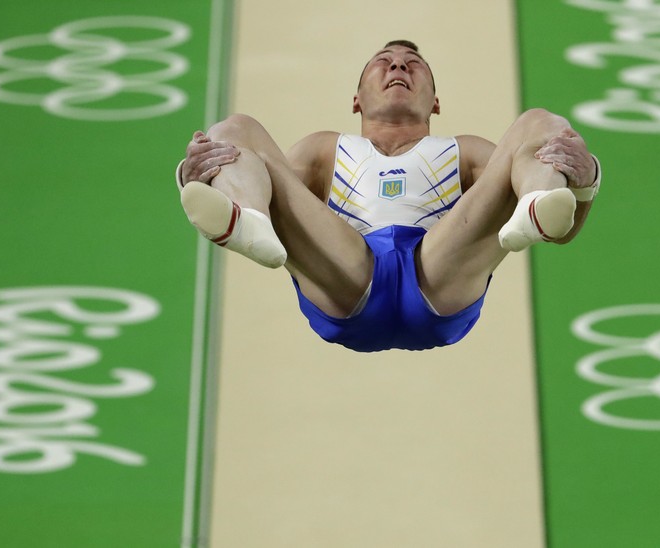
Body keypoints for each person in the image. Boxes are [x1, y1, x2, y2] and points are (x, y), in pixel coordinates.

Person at [175, 40, 601, 352]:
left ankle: (532, 206)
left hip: (439, 271)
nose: (399, 65)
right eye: (385, 62)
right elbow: (259, 174)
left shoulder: (466, 152)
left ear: (435, 103)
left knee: (540, 124)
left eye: (414, 64)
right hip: (346, 269)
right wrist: (195, 175)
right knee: (236, 131)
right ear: (356, 100)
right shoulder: (323, 150)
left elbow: (563, 233)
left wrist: (584, 184)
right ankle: (245, 219)